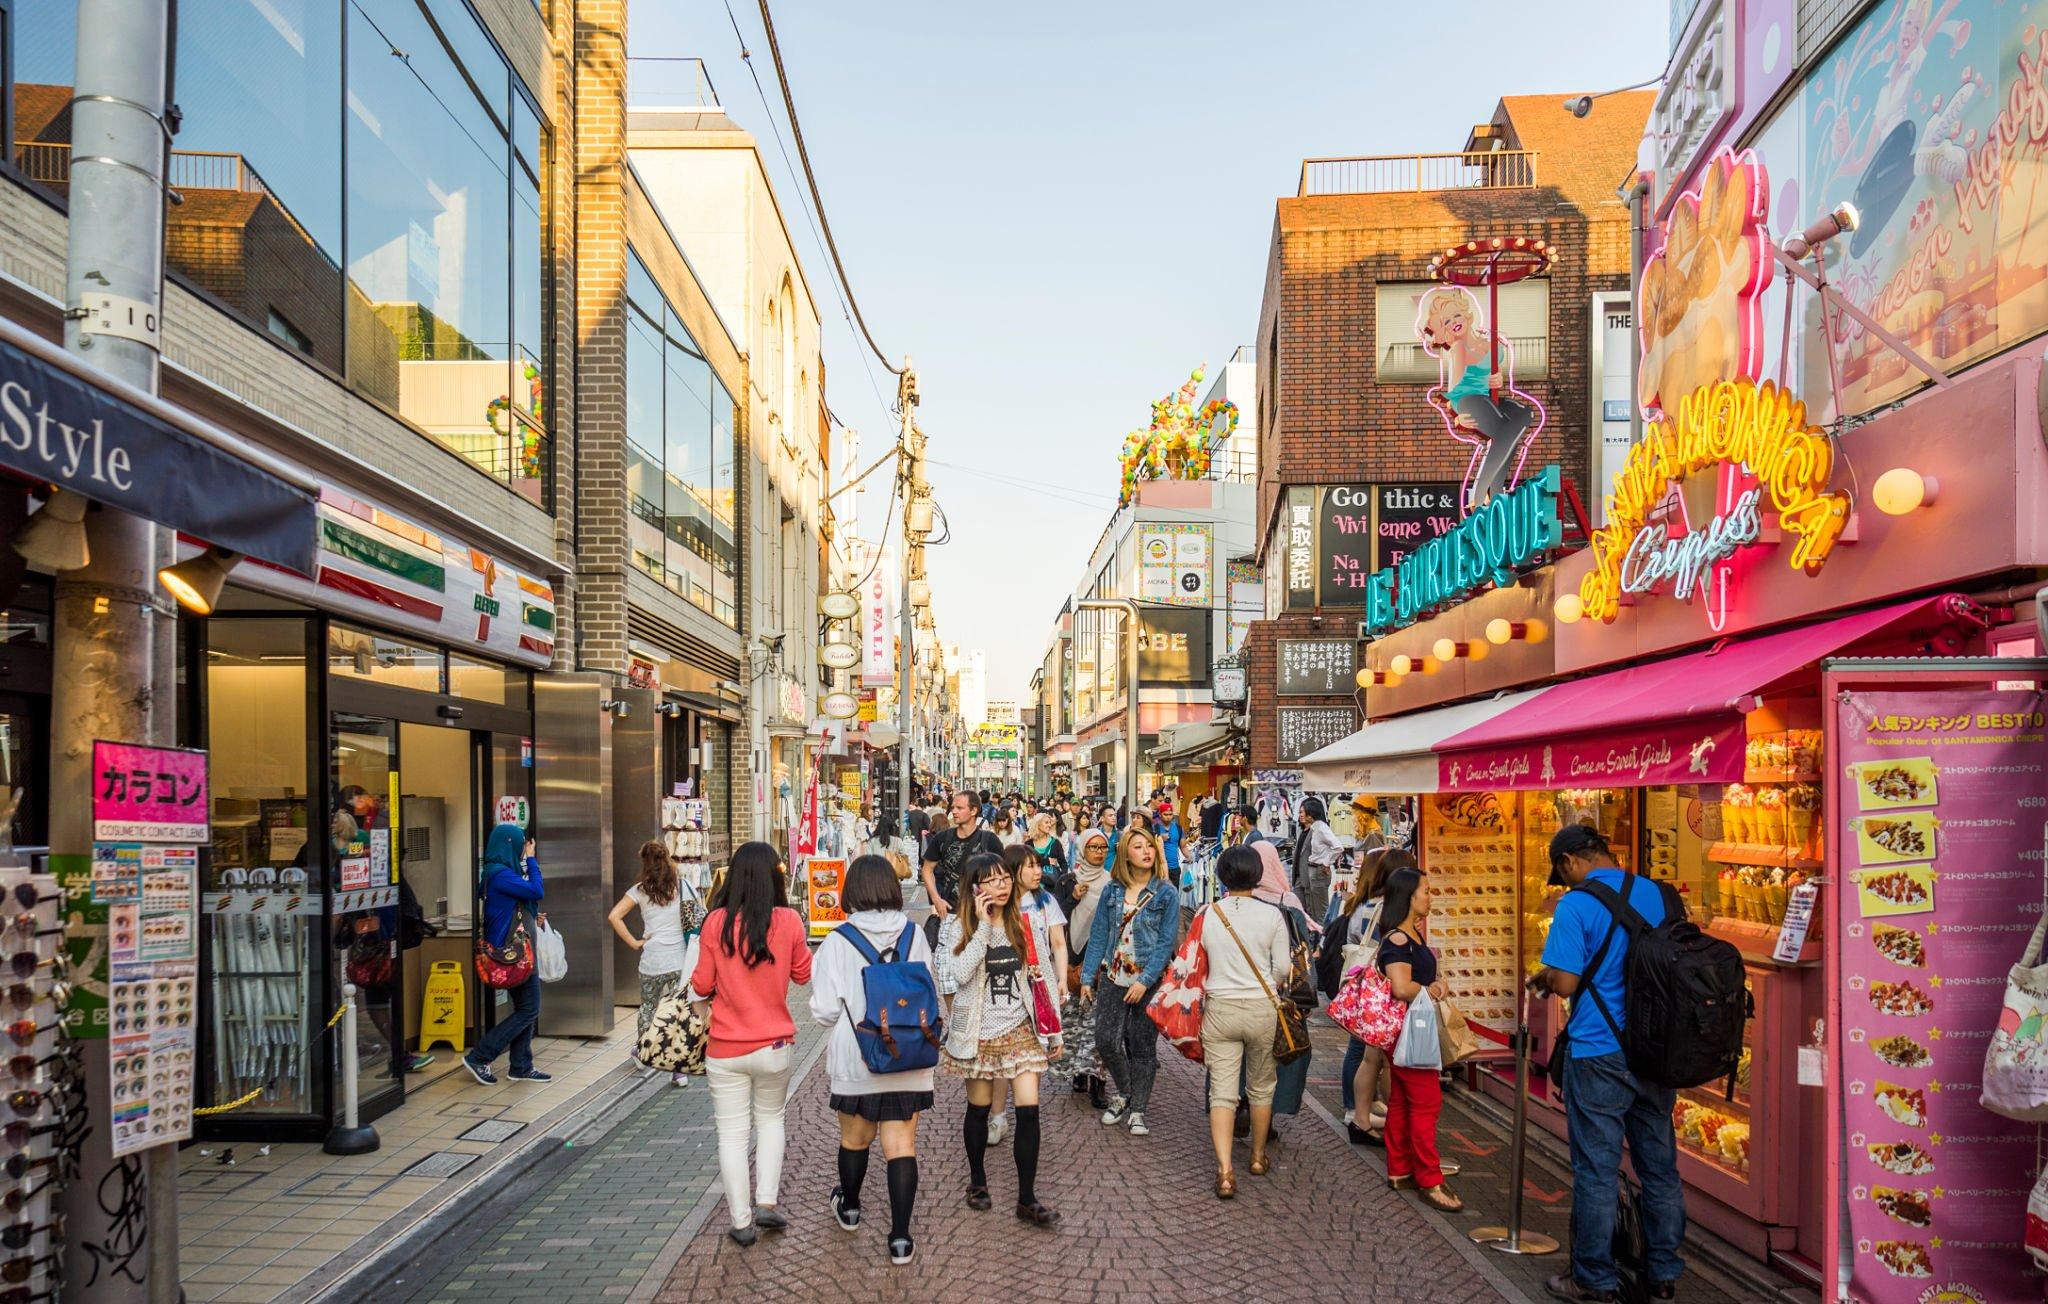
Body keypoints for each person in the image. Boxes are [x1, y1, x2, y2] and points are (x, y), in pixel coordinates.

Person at [1531, 825, 1683, 1303]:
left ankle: (1593, 1278)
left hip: (1600, 1050)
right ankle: (1662, 1274)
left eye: (1563, 871)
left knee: (1596, 1170)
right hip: (1657, 1051)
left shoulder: (1575, 905)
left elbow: (1567, 984)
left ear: (1572, 860)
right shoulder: (1660, 894)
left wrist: (1549, 975)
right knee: (1659, 1168)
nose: (1566, 879)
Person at [810, 855, 934, 1266]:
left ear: (852, 891)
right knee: (901, 1145)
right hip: (908, 1054)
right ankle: (900, 1238)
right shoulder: (914, 934)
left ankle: (849, 1207)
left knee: (854, 1140)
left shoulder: (837, 940)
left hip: (858, 1058)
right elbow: (928, 989)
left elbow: (826, 1011)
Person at [689, 841, 814, 1246]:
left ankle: (741, 1222)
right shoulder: (790, 920)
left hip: (725, 1047)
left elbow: (701, 985)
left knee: (731, 1135)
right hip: (775, 1044)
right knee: (772, 1120)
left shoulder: (715, 923)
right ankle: (767, 1201)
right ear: (775, 877)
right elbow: (802, 975)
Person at [944, 853, 1062, 1226]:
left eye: (1004, 879)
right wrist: (982, 926)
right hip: (977, 1033)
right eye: (992, 881)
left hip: (1021, 1029)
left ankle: (1027, 1197)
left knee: (1029, 1109)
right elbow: (959, 974)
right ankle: (978, 1181)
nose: (1002, 886)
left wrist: (1053, 1027)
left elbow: (1040, 976)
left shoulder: (1022, 923)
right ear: (975, 888)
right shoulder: (957, 926)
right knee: (978, 1108)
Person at [1197, 845, 1294, 1198]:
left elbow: (1198, 960)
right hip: (1261, 1007)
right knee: (1261, 1085)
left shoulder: (1209, 913)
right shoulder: (1271, 916)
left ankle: (1224, 1170)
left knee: (1221, 1090)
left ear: (1222, 875)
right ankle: (1256, 1155)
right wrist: (1270, 982)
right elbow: (1283, 968)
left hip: (1220, 1006)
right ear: (1257, 874)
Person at [1078, 826, 1177, 1137]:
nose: (1146, 851)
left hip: (1147, 982)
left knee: (1143, 1047)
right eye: (1138, 846)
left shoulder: (1166, 893)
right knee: (1106, 1040)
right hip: (1112, 975)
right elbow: (1098, 936)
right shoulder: (1113, 890)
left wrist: (1145, 981)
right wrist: (1086, 978)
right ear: (1124, 854)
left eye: (1149, 846)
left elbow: (1165, 943)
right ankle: (1125, 1090)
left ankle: (1138, 1110)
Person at [1376, 865, 1461, 1212]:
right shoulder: (1399, 939)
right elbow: (1401, 987)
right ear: (1408, 897)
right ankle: (1429, 1179)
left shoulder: (1409, 935)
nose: (1430, 896)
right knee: (1426, 1103)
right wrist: (1435, 989)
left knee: (1401, 1102)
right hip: (1412, 1034)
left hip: (1408, 1032)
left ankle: (1399, 1169)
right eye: (1425, 890)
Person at [608, 840, 705, 1086]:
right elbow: (700, 914)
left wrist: (634, 942)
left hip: (651, 961)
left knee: (649, 1007)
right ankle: (679, 1070)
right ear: (668, 859)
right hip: (679, 962)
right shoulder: (683, 886)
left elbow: (614, 916)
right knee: (678, 1013)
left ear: (645, 863)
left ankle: (643, 1054)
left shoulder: (639, 890)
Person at [463, 823, 549, 1085]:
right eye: (522, 845)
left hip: (516, 954)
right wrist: (533, 861)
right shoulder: (500, 875)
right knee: (529, 1008)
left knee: (526, 1008)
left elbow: (520, 903)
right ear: (510, 845)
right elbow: (537, 890)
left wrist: (534, 916)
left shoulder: (497, 873)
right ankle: (480, 1055)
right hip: (514, 956)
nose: (524, 850)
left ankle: (521, 1065)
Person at [1337, 847, 1407, 1143]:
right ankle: (1361, 1110)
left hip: (1366, 986)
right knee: (1372, 1054)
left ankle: (1357, 1109)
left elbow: (1353, 936)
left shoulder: (1364, 905)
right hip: (1382, 988)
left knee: (1363, 1051)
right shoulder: (1390, 910)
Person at [1054, 828, 1111, 1107]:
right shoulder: (1067, 880)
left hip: (1098, 960)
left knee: (1098, 1025)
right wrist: (1073, 897)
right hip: (1072, 959)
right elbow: (1056, 918)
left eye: (1103, 847)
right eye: (1093, 847)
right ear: (1082, 850)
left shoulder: (1112, 883)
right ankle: (1078, 1072)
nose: (1099, 852)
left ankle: (1098, 1082)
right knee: (1074, 1022)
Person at [920, 791, 1003, 945]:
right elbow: (927, 869)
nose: (954, 811)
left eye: (959, 808)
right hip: (950, 914)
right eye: (953, 807)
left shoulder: (989, 840)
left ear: (974, 811)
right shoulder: (942, 838)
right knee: (947, 966)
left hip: (982, 916)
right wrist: (936, 900)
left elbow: (1003, 876)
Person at [1292, 796, 1343, 925]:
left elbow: (1338, 847)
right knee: (1313, 910)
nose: (1301, 815)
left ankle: (1321, 940)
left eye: (1303, 812)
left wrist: (1326, 862)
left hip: (1318, 871)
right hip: (1312, 871)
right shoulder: (1314, 829)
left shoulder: (1320, 828)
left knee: (1319, 911)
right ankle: (1316, 939)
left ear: (1311, 813)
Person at [1026, 812, 1068, 877]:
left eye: (1050, 822)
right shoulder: (1028, 844)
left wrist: (1062, 880)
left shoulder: (1055, 843)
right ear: (1038, 824)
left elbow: (1063, 864)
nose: (1049, 825)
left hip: (1052, 884)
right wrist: (1046, 861)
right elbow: (1026, 864)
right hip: (1033, 883)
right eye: (1046, 822)